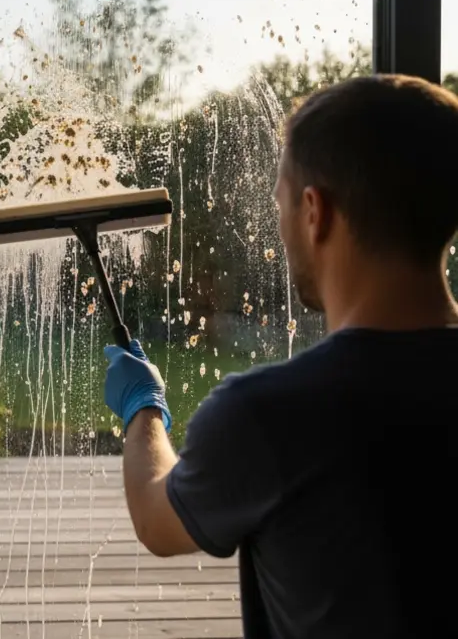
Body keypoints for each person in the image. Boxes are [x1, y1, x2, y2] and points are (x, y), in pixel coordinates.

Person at [102, 74, 456, 638]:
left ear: (315, 211)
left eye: (281, 201)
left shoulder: (270, 416)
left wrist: (143, 407)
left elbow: (155, 518)